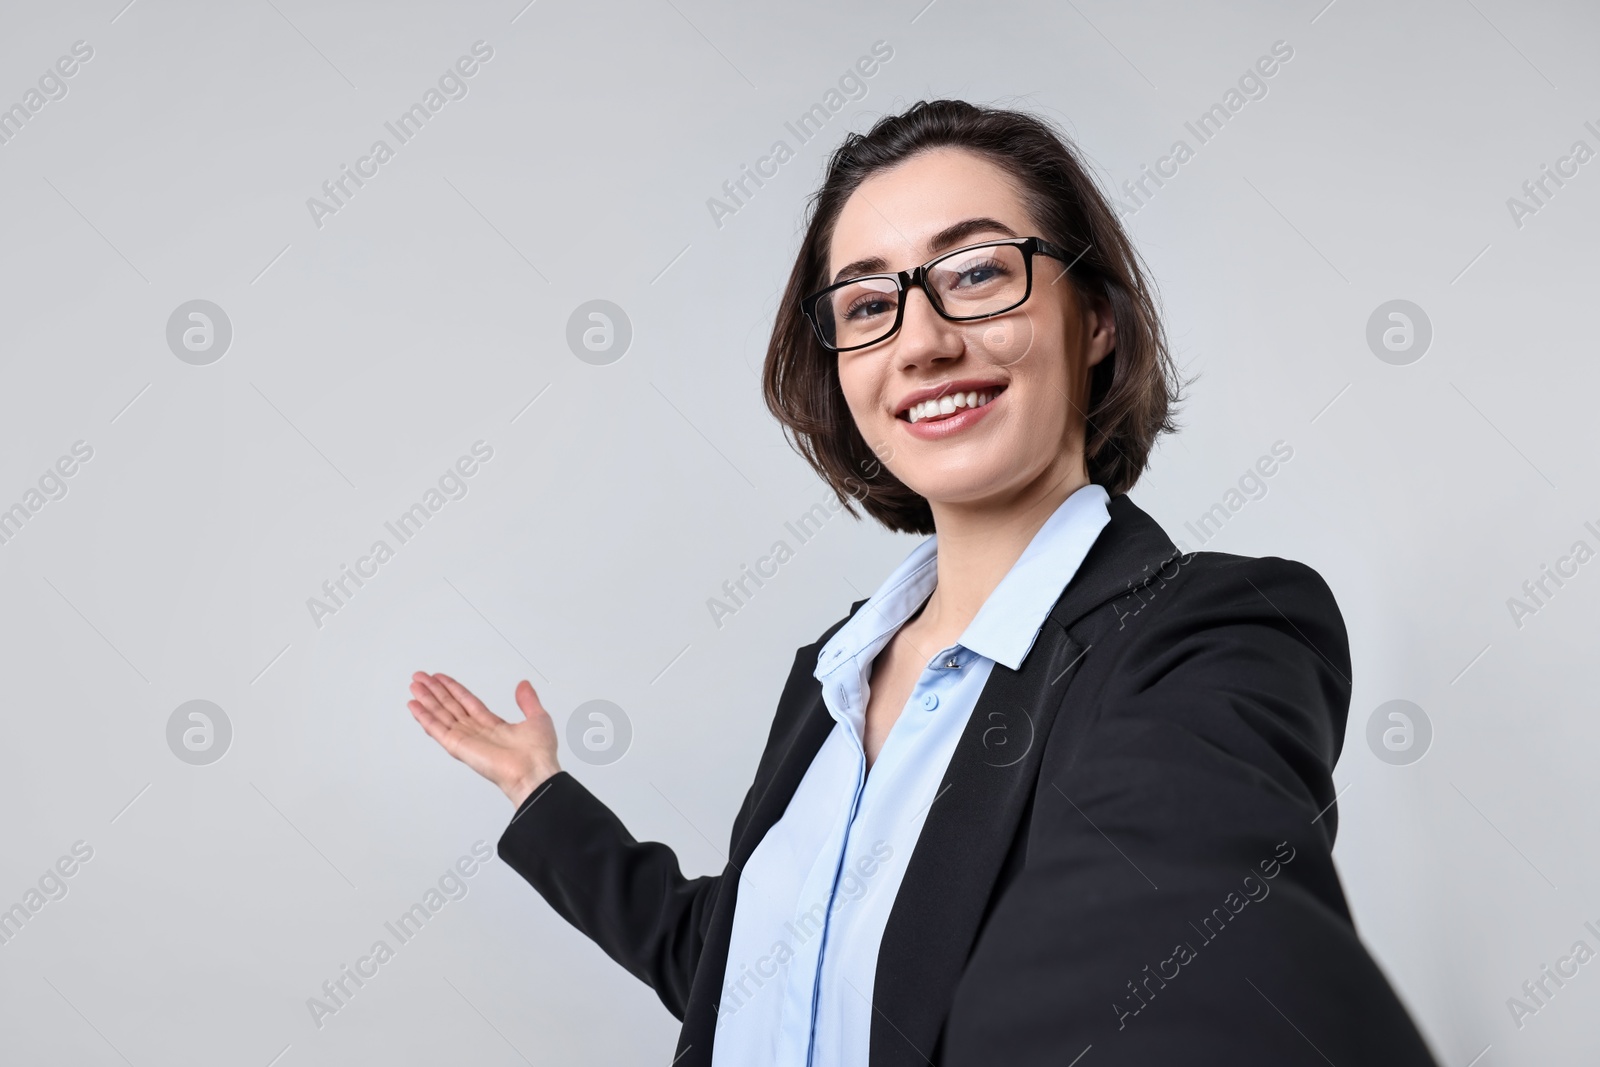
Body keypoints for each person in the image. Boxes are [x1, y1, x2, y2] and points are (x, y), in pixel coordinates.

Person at [406, 99, 1439, 1066]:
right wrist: (538, 791)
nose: (921, 340)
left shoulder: (1206, 635)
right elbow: (745, 968)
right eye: (865, 302)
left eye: (979, 272)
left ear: (1096, 320)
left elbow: (1174, 921)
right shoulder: (835, 668)